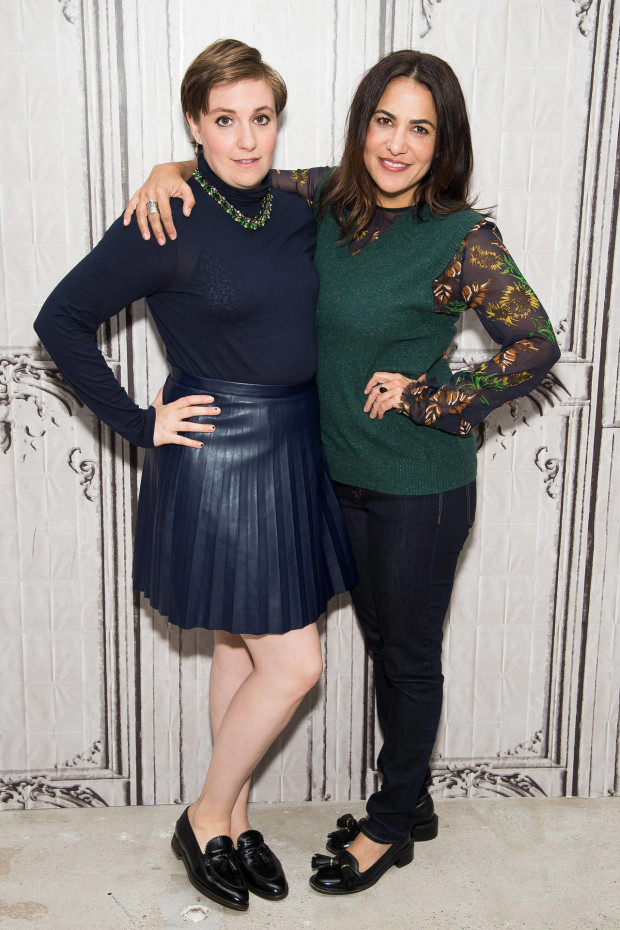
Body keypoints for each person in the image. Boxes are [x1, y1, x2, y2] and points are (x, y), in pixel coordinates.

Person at [124, 49, 561, 895]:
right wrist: (165, 167)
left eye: (420, 129)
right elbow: (238, 165)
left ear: (444, 143)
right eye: (384, 121)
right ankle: (408, 800)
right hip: (324, 473)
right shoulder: (332, 197)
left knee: (405, 655)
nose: (397, 144)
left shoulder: (462, 237)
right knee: (342, 645)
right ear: (363, 125)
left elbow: (536, 347)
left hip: (417, 487)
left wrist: (431, 395)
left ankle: (393, 823)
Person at [34, 39, 357, 912]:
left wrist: (173, 160)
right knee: (295, 665)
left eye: (261, 118)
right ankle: (202, 813)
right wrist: (140, 422)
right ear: (194, 122)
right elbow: (59, 319)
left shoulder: (300, 201)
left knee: (237, 645)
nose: (247, 140)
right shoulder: (164, 220)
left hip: (294, 443)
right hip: (217, 459)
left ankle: (232, 823)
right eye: (224, 121)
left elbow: (382, 162)